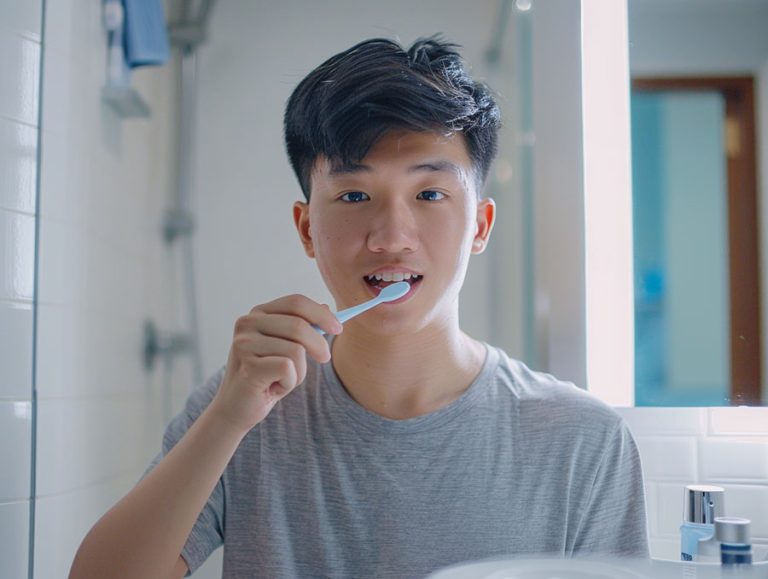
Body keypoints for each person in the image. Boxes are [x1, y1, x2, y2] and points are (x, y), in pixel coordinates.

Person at [69, 36, 649, 579]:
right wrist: (225, 420)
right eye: (353, 196)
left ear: (480, 224)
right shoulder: (244, 409)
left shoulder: (582, 440)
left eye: (429, 194)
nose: (392, 236)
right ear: (306, 228)